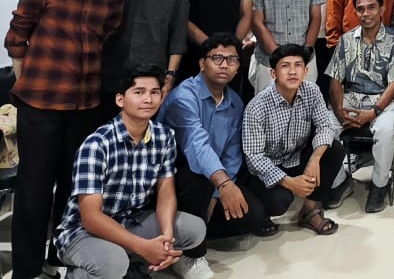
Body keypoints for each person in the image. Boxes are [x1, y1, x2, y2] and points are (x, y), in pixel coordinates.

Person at [4, 0, 127, 279]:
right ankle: (27, 269)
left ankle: (59, 257)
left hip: (85, 103)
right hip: (41, 101)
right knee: (34, 187)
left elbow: (107, 36)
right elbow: (17, 35)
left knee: (73, 187)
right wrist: (26, 78)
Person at [54, 66, 210, 279]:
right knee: (114, 263)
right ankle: (78, 273)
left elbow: (166, 193)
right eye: (139, 92)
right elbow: (90, 218)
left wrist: (166, 239)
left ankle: (130, 263)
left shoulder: (163, 136)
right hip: (82, 232)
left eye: (154, 92)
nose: (148, 99)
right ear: (120, 100)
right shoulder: (97, 144)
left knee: (195, 229)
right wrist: (143, 247)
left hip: (130, 220)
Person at [160, 34, 278, 260]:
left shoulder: (235, 102)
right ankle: (191, 255)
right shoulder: (183, 97)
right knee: (198, 180)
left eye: (231, 60)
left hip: (213, 179)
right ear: (202, 64)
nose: (224, 65)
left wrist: (216, 194)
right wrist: (222, 184)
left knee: (254, 215)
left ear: (237, 67)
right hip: (175, 177)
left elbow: (232, 154)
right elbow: (198, 146)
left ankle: (195, 230)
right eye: (217, 58)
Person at [242, 44, 347, 235]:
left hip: (296, 156)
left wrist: (315, 159)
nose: (292, 71)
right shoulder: (257, 107)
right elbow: (254, 158)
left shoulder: (312, 91)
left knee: (334, 150)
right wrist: (291, 183)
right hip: (268, 166)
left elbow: (325, 126)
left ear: (305, 71)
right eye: (285, 66)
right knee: (279, 202)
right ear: (273, 73)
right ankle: (263, 214)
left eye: (298, 65)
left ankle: (310, 210)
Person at [327, 0, 394, 214]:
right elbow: (335, 80)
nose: (366, 13)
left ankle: (379, 185)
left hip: (383, 100)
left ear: (382, 9)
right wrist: (339, 112)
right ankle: (340, 182)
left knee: (385, 131)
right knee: (325, 130)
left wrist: (373, 112)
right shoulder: (345, 41)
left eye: (371, 7)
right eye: (360, 9)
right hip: (350, 100)